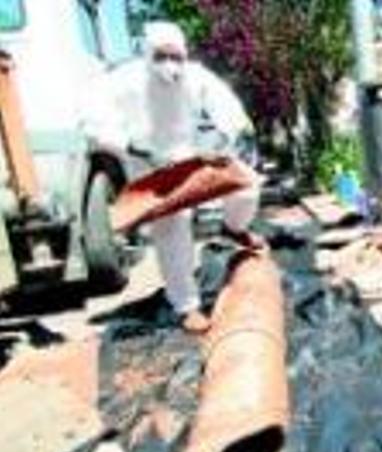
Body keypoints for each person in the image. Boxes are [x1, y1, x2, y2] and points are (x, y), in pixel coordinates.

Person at [84, 21, 263, 334]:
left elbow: (228, 107)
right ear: (147, 55)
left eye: (177, 56)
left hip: (190, 155)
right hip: (148, 163)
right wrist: (127, 145)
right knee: (172, 227)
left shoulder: (196, 78)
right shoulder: (123, 81)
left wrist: (227, 135)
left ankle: (234, 227)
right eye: (162, 56)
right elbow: (91, 120)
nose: (171, 65)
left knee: (247, 185)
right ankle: (186, 306)